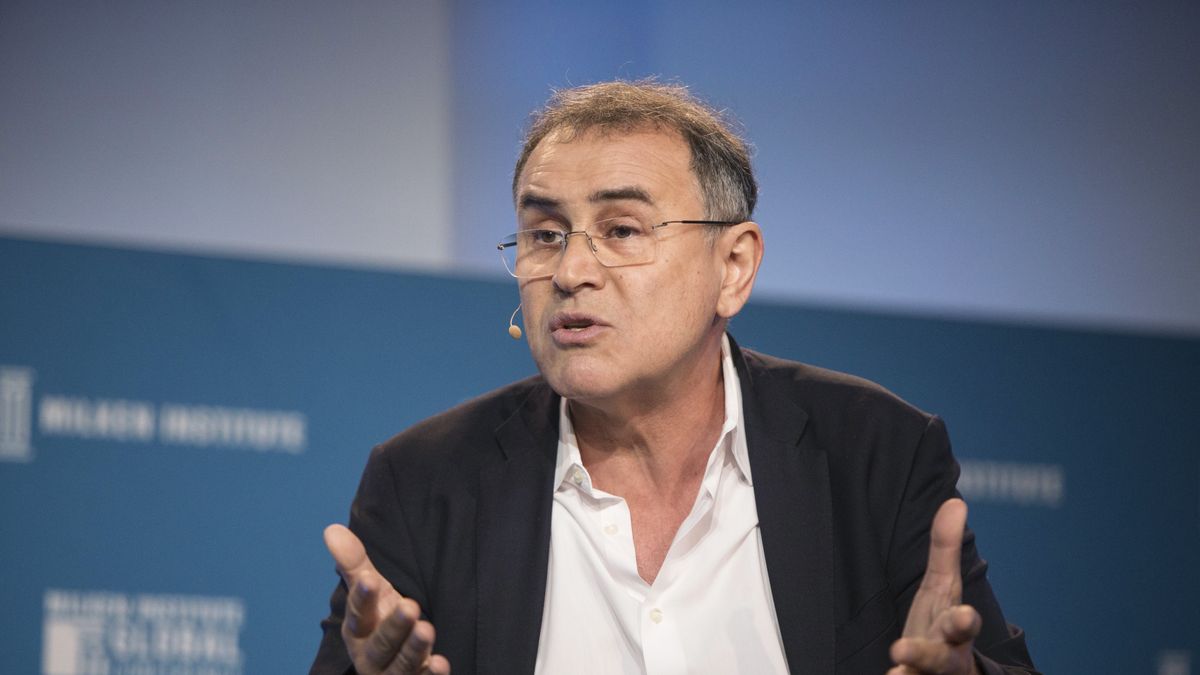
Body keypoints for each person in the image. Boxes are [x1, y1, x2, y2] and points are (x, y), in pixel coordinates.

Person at [310, 80, 1038, 675]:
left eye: (621, 230)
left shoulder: (877, 454)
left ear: (733, 267)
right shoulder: (423, 480)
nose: (570, 272)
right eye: (544, 234)